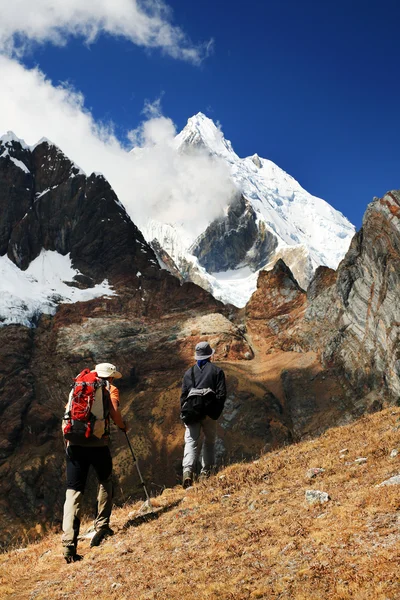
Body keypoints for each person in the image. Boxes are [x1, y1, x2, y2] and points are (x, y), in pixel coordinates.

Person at [61, 362, 127, 563]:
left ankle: (68, 545)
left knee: (73, 491)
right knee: (105, 481)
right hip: (98, 445)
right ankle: (102, 527)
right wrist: (123, 426)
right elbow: (114, 412)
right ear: (111, 377)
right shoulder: (109, 389)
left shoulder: (79, 386)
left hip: (74, 444)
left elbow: (67, 414)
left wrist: (68, 442)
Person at [180, 341, 226, 488]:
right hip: (209, 412)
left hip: (192, 413)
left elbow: (183, 396)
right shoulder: (217, 371)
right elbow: (221, 394)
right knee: (210, 441)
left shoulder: (189, 373)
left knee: (191, 441)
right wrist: (215, 410)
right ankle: (206, 472)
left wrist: (185, 413)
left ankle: (187, 472)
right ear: (209, 356)